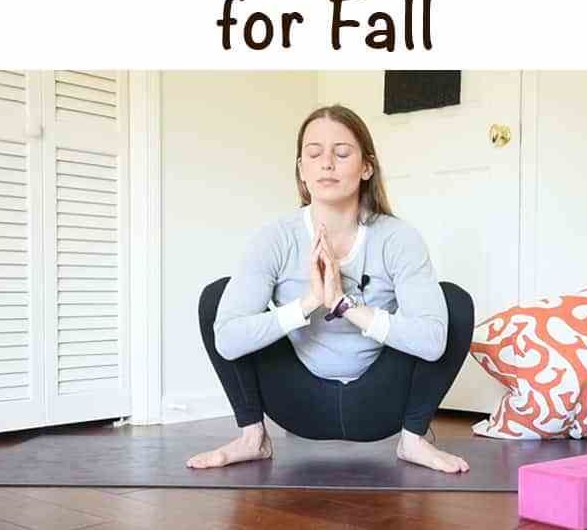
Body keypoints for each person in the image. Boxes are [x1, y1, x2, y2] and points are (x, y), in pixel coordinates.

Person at [187, 104, 475, 474]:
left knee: (454, 302)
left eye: (341, 153)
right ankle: (252, 438)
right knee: (218, 297)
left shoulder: (398, 238)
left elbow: (434, 341)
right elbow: (226, 338)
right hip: (298, 402)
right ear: (301, 169)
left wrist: (344, 304)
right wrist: (307, 303)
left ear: (366, 167)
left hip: (380, 404)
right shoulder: (274, 238)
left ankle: (413, 439)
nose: (327, 163)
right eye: (314, 153)